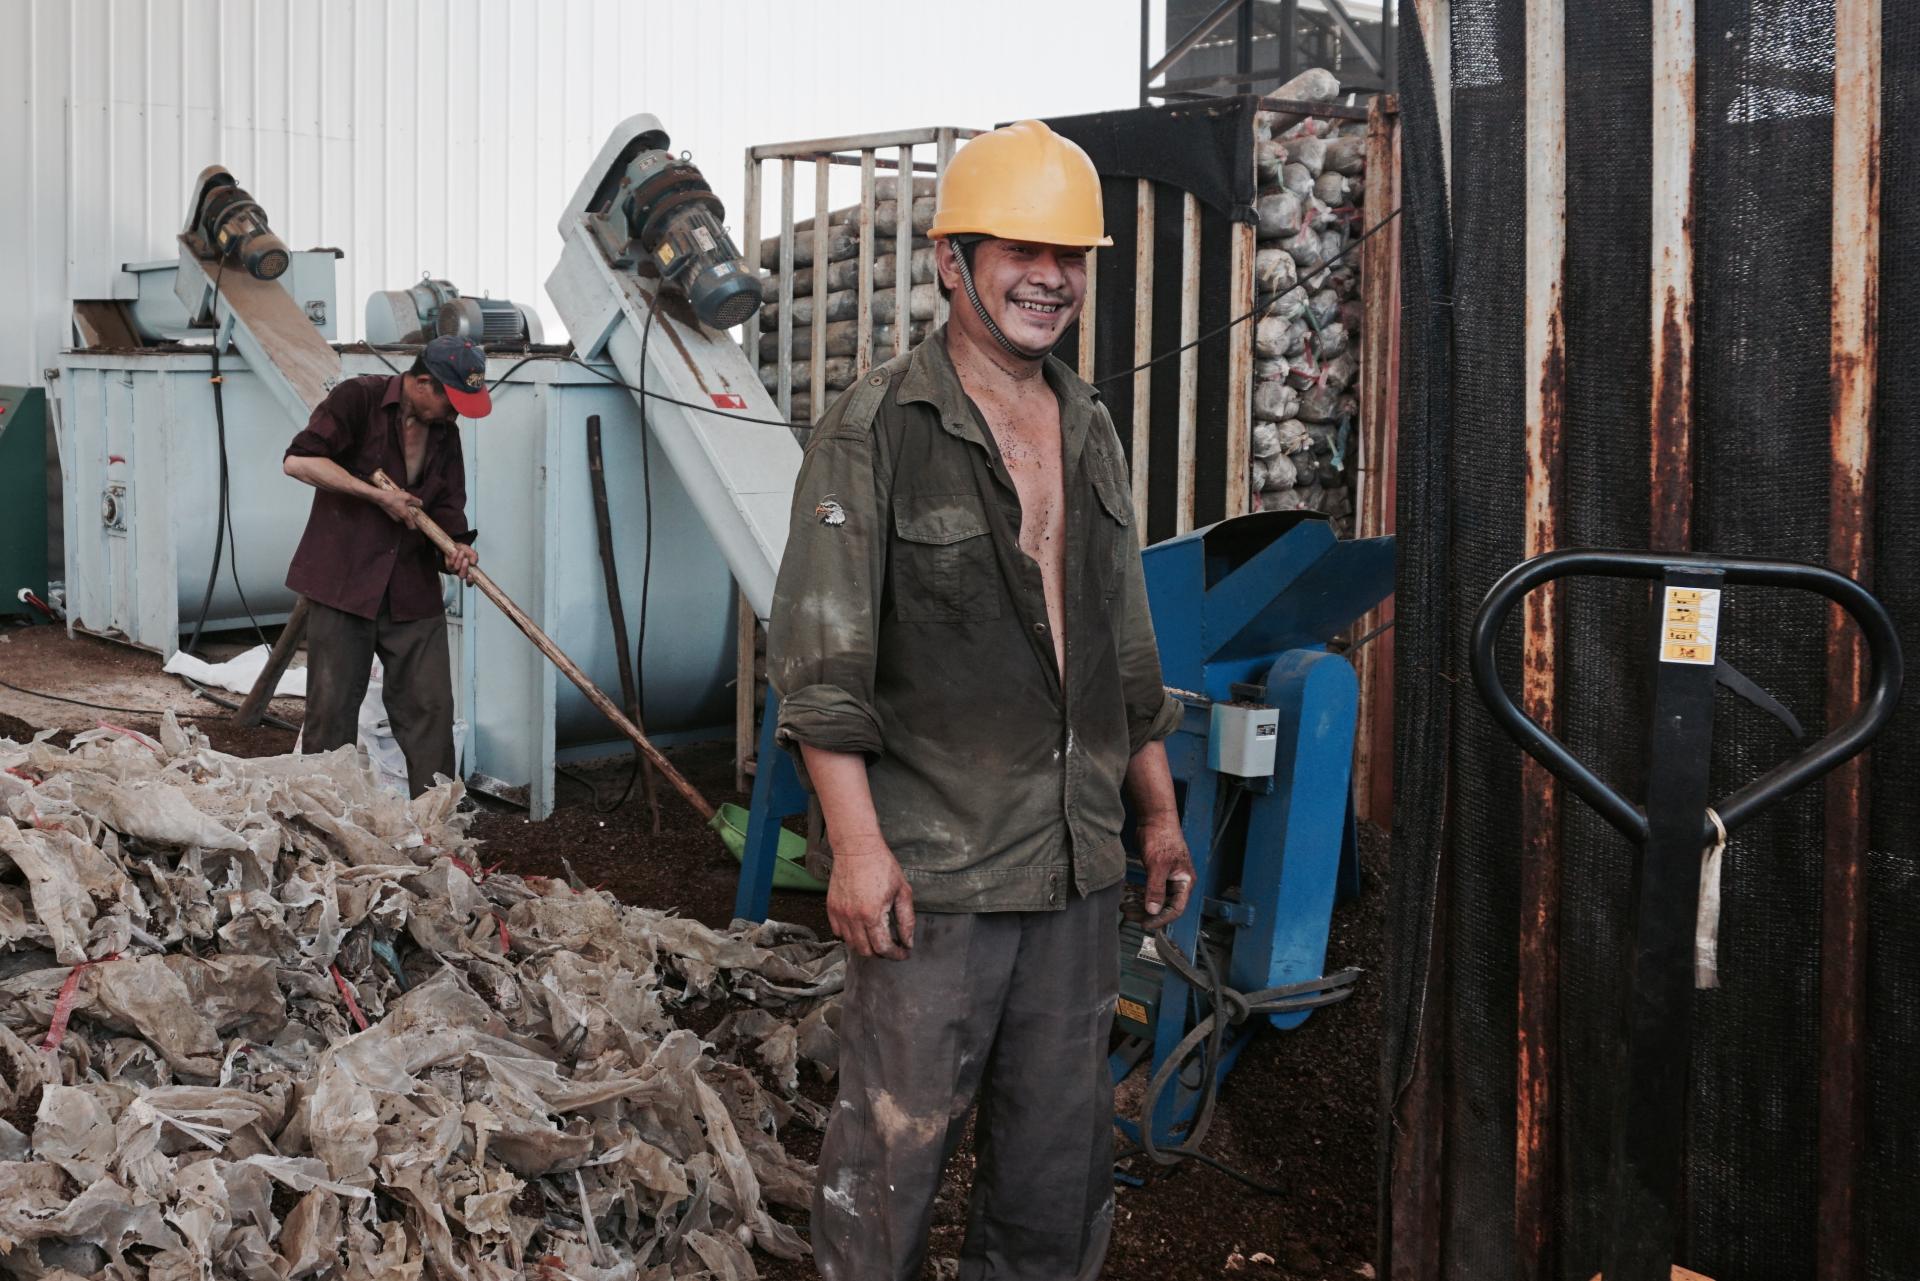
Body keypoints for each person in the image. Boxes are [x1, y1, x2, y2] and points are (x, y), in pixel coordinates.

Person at [768, 119, 1196, 1280]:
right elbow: (822, 662)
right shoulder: (877, 428)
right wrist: (858, 852)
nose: (1050, 277)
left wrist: (1156, 817)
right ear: (952, 261)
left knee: (1056, 1174)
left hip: (1073, 872)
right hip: (935, 878)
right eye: (1021, 250)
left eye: (1070, 256)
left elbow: (1126, 650)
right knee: (890, 1166)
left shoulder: (1090, 426)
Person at [281, 334, 489, 797]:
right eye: (452, 401)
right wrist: (377, 497)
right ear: (422, 383)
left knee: (431, 710)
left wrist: (456, 547)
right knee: (331, 713)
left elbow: (449, 509)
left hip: (411, 588)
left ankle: (435, 821)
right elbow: (298, 462)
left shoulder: (445, 435)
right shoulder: (358, 399)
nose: (456, 414)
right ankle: (325, 817)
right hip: (344, 582)